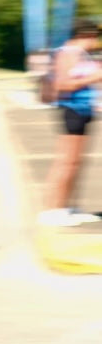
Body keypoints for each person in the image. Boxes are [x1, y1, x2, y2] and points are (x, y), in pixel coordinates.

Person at [39, 19, 102, 227]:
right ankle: (52, 211)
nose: (97, 42)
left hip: (83, 110)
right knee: (65, 163)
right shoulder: (68, 53)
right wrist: (94, 77)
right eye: (96, 37)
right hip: (72, 111)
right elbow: (62, 85)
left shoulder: (81, 54)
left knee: (74, 164)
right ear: (87, 35)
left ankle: (66, 208)